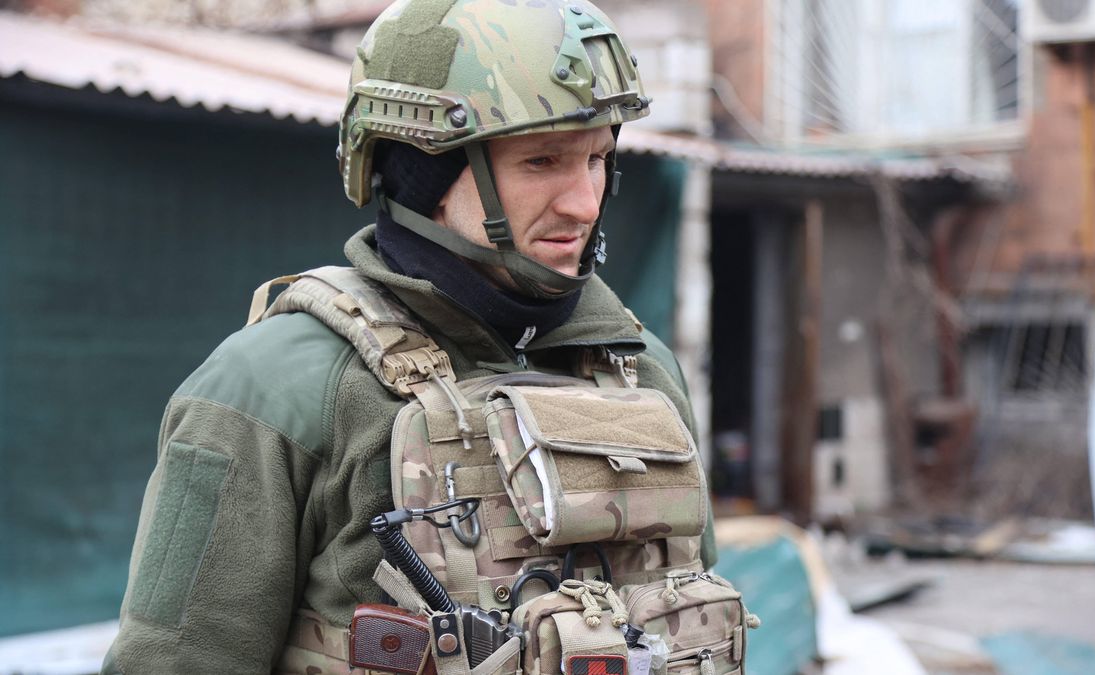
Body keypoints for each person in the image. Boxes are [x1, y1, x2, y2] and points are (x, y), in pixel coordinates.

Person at [102, 0, 718, 673]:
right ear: (425, 173)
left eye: (597, 158)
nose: (584, 200)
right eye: (542, 161)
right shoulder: (273, 387)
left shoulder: (642, 371)